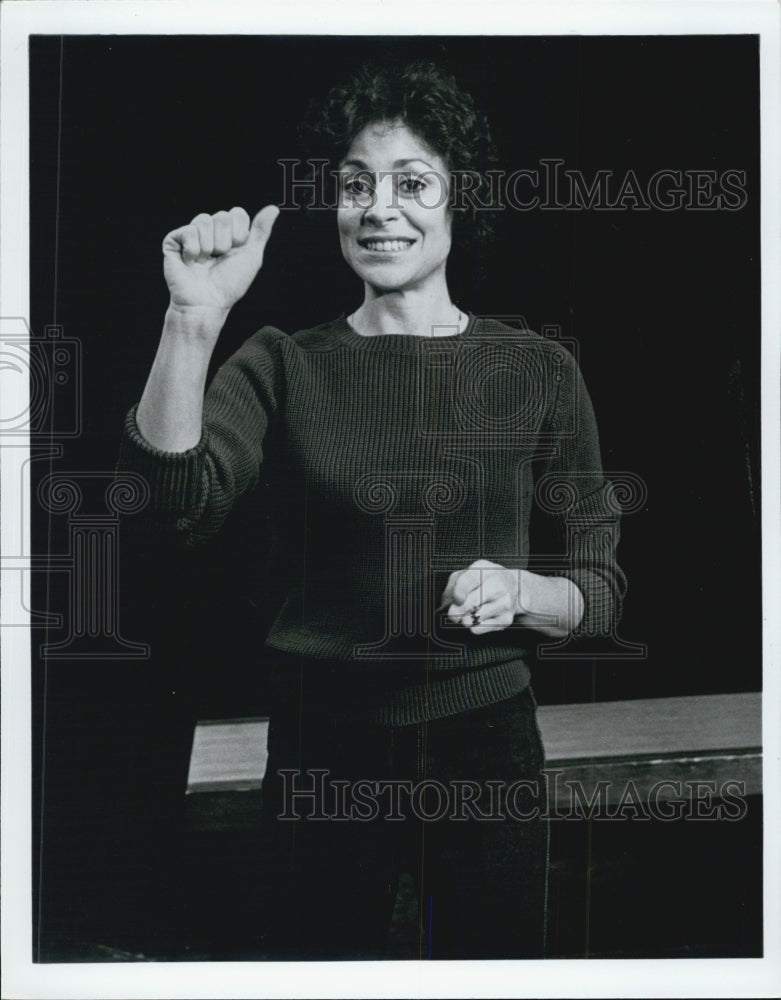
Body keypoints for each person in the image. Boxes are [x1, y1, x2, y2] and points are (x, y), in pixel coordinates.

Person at [117, 60, 626, 960]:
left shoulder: (537, 368)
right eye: (356, 185)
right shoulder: (281, 364)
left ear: (457, 200)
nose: (378, 206)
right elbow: (174, 507)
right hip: (322, 751)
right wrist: (191, 323)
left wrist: (520, 591)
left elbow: (599, 586)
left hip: (486, 750)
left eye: (411, 183)